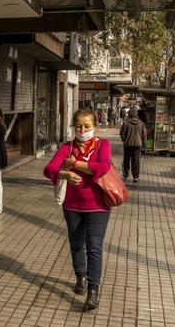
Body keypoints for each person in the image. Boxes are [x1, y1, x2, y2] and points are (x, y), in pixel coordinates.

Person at [44, 109, 112, 311]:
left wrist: (75, 164)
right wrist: (64, 174)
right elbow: (49, 169)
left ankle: (93, 290)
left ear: (95, 127)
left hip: (98, 205)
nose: (82, 130)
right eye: (79, 126)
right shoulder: (67, 147)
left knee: (94, 246)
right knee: (76, 244)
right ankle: (80, 276)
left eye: (87, 126)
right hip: (72, 206)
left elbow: (103, 167)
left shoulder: (103, 145)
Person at [120, 108, 146, 182]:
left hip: (128, 144)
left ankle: (125, 174)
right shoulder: (141, 123)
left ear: (130, 114)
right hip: (138, 145)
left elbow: (122, 133)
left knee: (126, 160)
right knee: (136, 161)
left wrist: (124, 140)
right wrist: (143, 143)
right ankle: (136, 176)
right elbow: (144, 135)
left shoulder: (126, 123)